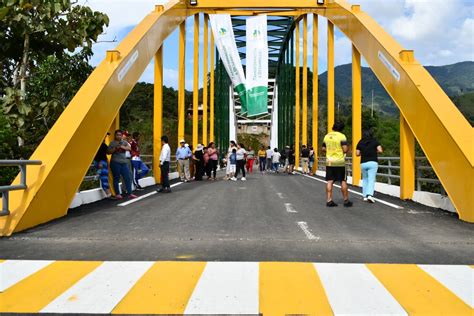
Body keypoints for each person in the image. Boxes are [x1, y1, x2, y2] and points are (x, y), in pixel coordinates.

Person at [322, 121, 353, 207]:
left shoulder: (327, 136)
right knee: (343, 180)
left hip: (329, 162)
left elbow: (323, 149)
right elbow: (345, 149)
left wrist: (330, 151)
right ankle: (346, 200)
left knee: (330, 181)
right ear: (341, 128)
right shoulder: (342, 136)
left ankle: (329, 200)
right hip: (339, 162)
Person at [107, 130, 137, 199]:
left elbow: (129, 148)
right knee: (116, 178)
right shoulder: (112, 143)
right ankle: (117, 194)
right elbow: (108, 152)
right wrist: (115, 148)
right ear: (115, 135)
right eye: (117, 135)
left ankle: (130, 193)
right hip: (115, 162)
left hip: (124, 163)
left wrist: (122, 147)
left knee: (128, 177)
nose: (119, 136)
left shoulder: (124, 142)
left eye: (120, 135)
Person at [356, 128, 383, 203]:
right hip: (373, 162)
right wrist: (374, 151)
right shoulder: (375, 141)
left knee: (365, 179)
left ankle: (364, 196)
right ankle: (370, 195)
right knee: (371, 179)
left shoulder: (360, 142)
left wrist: (364, 152)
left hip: (363, 163)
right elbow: (380, 150)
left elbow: (357, 154)